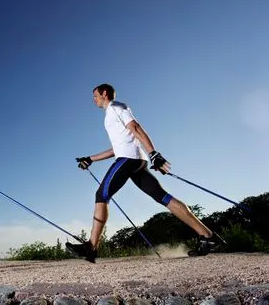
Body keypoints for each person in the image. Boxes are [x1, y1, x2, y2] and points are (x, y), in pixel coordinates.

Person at [66, 83, 225, 263]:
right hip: (135, 160)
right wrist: (90, 158)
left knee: (101, 195)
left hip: (129, 159)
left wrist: (154, 153)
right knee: (163, 197)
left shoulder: (116, 107)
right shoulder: (110, 115)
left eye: (95, 96)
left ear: (104, 93)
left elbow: (136, 127)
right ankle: (208, 235)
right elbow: (116, 148)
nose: (93, 99)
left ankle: (91, 247)